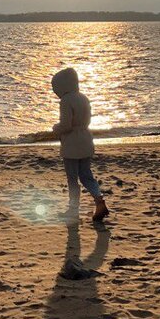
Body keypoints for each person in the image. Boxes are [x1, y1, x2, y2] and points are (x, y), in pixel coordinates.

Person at [51, 67, 110, 224]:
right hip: (85, 139)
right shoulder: (83, 98)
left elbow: (67, 125)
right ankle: (99, 200)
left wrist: (55, 129)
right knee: (86, 175)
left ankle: (73, 209)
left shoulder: (66, 100)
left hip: (72, 143)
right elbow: (87, 121)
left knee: (72, 178)